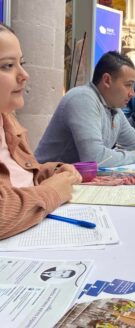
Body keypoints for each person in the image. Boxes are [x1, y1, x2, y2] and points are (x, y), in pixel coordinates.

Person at [0, 23, 82, 240]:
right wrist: (54, 191)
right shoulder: (82, 100)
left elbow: (24, 176)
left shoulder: (8, 121)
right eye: (7, 66)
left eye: (21, 63)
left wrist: (52, 171)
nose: (24, 74)